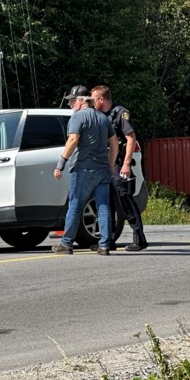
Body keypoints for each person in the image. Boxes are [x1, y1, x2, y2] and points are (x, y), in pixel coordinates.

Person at [52, 85, 119, 255]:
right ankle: (104, 245)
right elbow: (114, 143)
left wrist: (61, 163)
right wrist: (110, 165)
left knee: (75, 205)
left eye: (72, 101)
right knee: (103, 207)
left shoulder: (78, 117)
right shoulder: (103, 118)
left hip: (83, 169)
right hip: (102, 170)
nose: (70, 104)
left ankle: (66, 244)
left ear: (81, 101)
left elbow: (73, 139)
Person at [90, 85, 148, 252]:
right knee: (107, 202)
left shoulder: (120, 113)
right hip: (106, 163)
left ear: (101, 99)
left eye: (94, 99)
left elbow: (130, 138)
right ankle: (108, 240)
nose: (93, 103)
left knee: (125, 198)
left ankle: (139, 238)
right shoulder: (100, 115)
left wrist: (126, 164)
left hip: (119, 162)